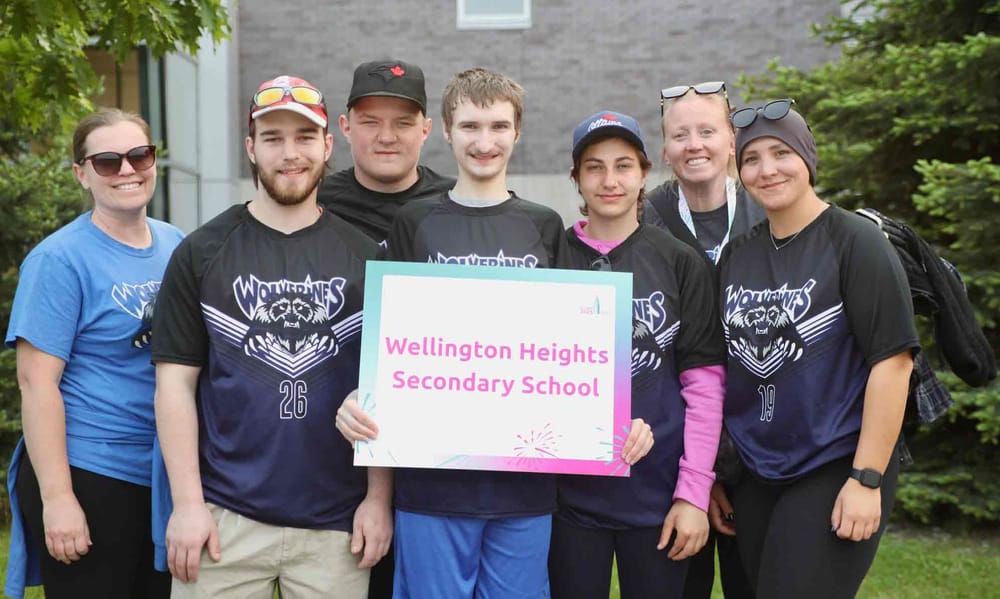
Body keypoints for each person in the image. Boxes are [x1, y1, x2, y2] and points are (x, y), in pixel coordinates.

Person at [151, 75, 390, 599]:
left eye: (305, 137)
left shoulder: (370, 258)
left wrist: (378, 499)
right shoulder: (201, 252)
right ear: (250, 148)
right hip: (223, 519)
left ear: (328, 145)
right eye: (273, 137)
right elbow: (174, 386)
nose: (290, 154)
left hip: (337, 523)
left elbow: (387, 388)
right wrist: (188, 505)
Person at [335, 67, 568, 599]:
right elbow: (391, 342)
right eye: (469, 127)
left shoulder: (545, 225)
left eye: (498, 126)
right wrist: (363, 396)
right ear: (444, 130)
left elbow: (568, 347)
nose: (484, 142)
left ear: (518, 131)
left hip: (524, 483)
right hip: (432, 484)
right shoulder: (415, 223)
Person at [719, 99, 918, 597]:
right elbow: (726, 367)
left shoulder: (856, 242)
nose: (767, 170)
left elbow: (893, 364)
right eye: (751, 159)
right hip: (754, 470)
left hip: (834, 462)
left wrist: (867, 478)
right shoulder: (738, 255)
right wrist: (718, 472)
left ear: (807, 157)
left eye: (781, 152)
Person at [4, 108, 183, 599]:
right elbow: (36, 384)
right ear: (82, 173)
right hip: (92, 474)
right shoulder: (58, 260)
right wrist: (58, 499)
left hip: (166, 473)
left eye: (138, 155)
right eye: (106, 161)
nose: (127, 170)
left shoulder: (177, 245)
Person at [548, 110, 726, 599]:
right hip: (567, 500)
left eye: (623, 166)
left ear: (645, 173)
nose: (610, 180)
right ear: (577, 178)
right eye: (594, 167)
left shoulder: (678, 262)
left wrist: (693, 492)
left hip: (656, 496)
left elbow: (705, 386)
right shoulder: (551, 257)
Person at [648, 81, 763, 599]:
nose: (694, 144)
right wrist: (704, 472)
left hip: (763, 449)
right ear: (665, 149)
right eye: (680, 135)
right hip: (678, 452)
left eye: (707, 131)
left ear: (732, 140)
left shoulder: (771, 208)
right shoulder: (644, 220)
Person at [318, 59, 454, 244]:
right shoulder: (316, 204)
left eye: (403, 123)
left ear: (425, 130)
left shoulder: (455, 202)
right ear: (346, 127)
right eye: (370, 123)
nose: (387, 137)